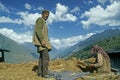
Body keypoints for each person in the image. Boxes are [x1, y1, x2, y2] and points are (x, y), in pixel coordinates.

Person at [32, 10, 52, 78]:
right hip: (42, 43)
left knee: (41, 58)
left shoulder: (43, 22)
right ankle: (45, 74)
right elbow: (38, 30)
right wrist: (42, 40)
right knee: (46, 58)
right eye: (46, 14)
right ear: (42, 14)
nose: (47, 16)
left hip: (42, 43)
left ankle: (40, 73)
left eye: (48, 15)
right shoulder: (40, 20)